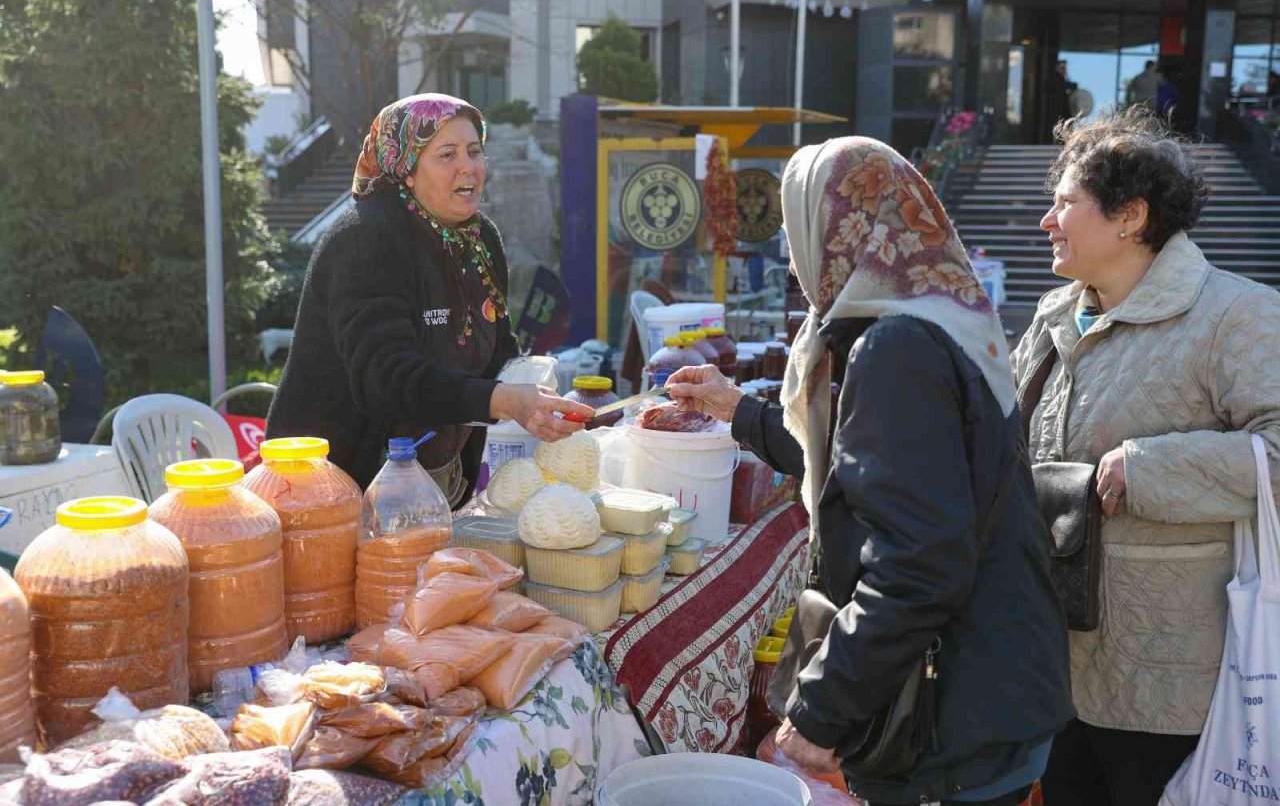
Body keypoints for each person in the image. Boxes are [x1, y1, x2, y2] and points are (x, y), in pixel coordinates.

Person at [666, 137, 1072, 805]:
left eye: (802, 228)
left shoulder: (897, 349)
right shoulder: (937, 313)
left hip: (954, 713)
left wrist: (824, 708)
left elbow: (918, 564)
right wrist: (737, 410)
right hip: (992, 681)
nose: (794, 256)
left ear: (839, 231)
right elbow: (866, 464)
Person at [1014, 107, 1280, 805]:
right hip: (1055, 664)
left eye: (1065, 203)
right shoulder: (1052, 314)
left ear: (1130, 216)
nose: (1047, 220)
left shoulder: (1236, 315)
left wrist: (1149, 469)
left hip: (1174, 679)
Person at [267, 94, 592, 502]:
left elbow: (496, 347)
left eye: (474, 150)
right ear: (406, 170)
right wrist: (501, 400)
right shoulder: (365, 239)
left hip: (434, 479)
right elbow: (386, 377)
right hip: (335, 487)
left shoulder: (480, 239)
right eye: (446, 154)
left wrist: (534, 392)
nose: (468, 166)